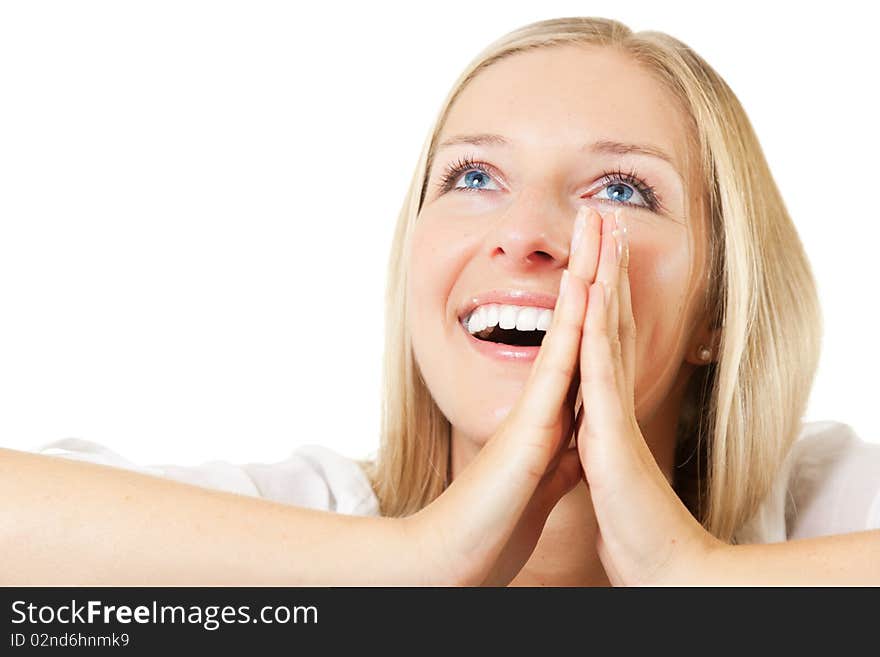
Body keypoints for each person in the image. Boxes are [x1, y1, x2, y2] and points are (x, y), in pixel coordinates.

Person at [3, 16, 879, 586]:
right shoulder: (313, 522)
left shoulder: (822, 510)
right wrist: (414, 567)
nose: (524, 232)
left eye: (618, 190)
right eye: (473, 175)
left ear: (719, 308)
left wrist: (690, 578)